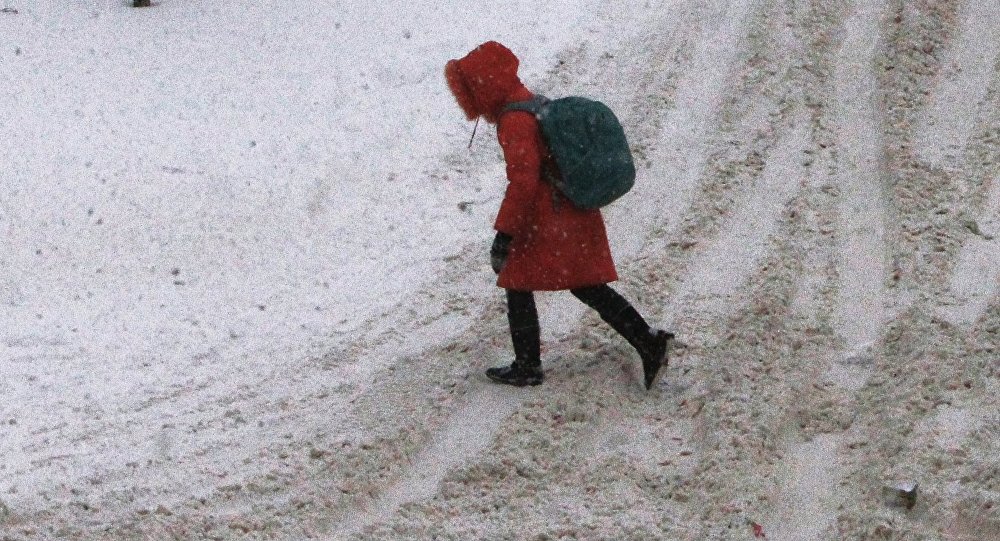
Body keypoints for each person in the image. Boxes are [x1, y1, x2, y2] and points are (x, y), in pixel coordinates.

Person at [444, 41, 673, 390]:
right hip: (568, 211)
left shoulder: (513, 120)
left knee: (518, 282)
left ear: (482, 87)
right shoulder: (530, 103)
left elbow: (522, 182)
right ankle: (647, 340)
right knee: (586, 286)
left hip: (547, 219)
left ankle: (528, 365)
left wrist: (504, 234)